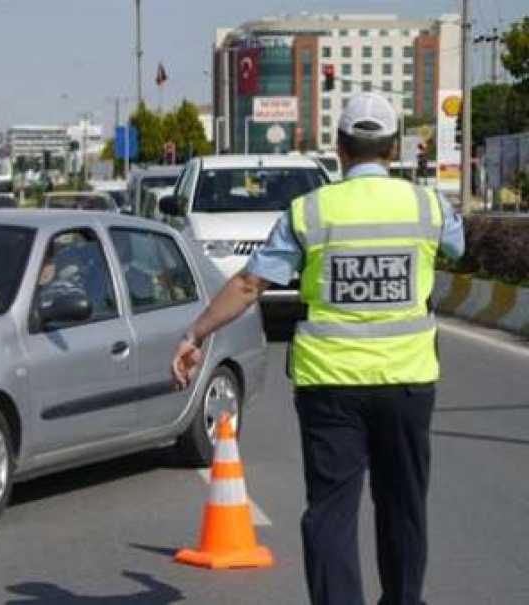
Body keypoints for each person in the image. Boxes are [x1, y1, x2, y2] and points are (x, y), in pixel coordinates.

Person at [170, 92, 464, 605]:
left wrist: (196, 334)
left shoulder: (308, 212)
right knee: (403, 506)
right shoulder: (427, 205)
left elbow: (248, 285)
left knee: (331, 512)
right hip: (407, 383)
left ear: (340, 148)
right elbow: (457, 247)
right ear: (393, 149)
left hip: (329, 388)